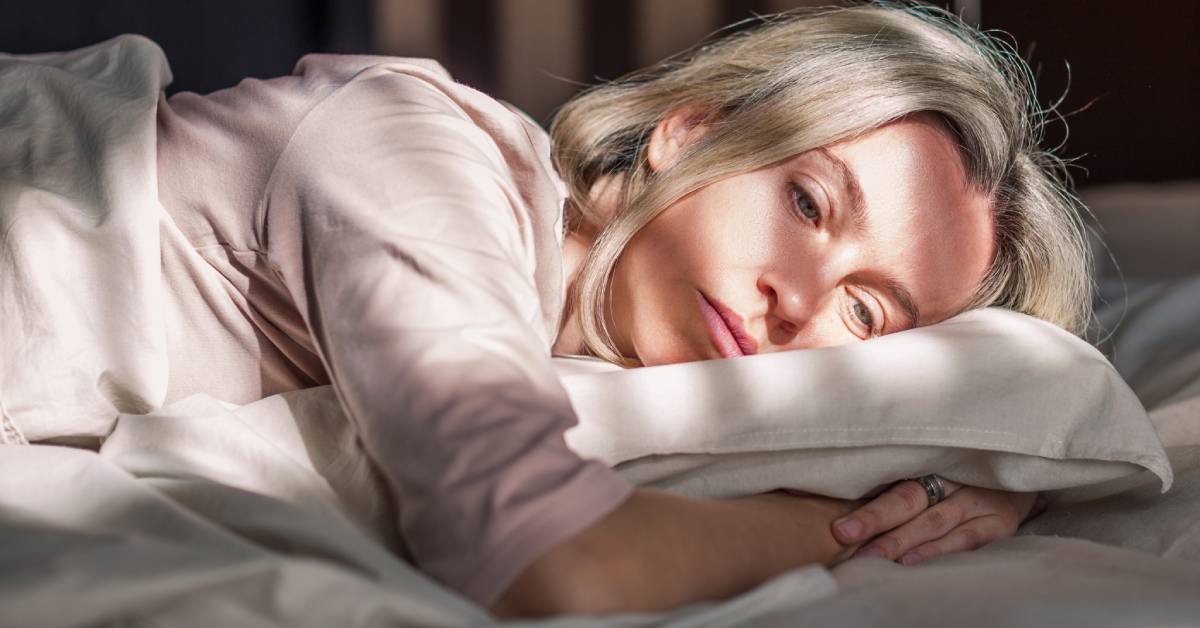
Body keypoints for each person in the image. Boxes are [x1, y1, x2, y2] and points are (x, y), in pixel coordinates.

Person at [0, 0, 1091, 621]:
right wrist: (851, 532)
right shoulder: (411, 153)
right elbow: (547, 566)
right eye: (806, 204)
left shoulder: (604, 361)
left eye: (867, 314)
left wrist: (961, 483)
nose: (795, 306)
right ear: (691, 134)